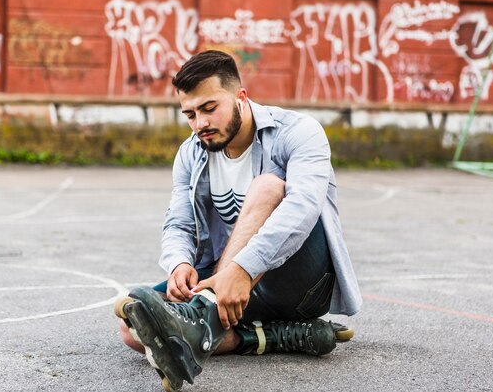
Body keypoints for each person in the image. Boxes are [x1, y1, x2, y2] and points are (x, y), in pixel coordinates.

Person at [114, 50, 362, 391]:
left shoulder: (299, 131)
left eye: (209, 108)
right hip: (228, 285)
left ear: (240, 97)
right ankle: (271, 336)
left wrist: (242, 269)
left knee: (268, 187)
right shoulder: (191, 152)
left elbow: (303, 210)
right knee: (133, 324)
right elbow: (178, 221)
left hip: (299, 280)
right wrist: (179, 263)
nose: (199, 123)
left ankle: (205, 316)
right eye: (189, 114)